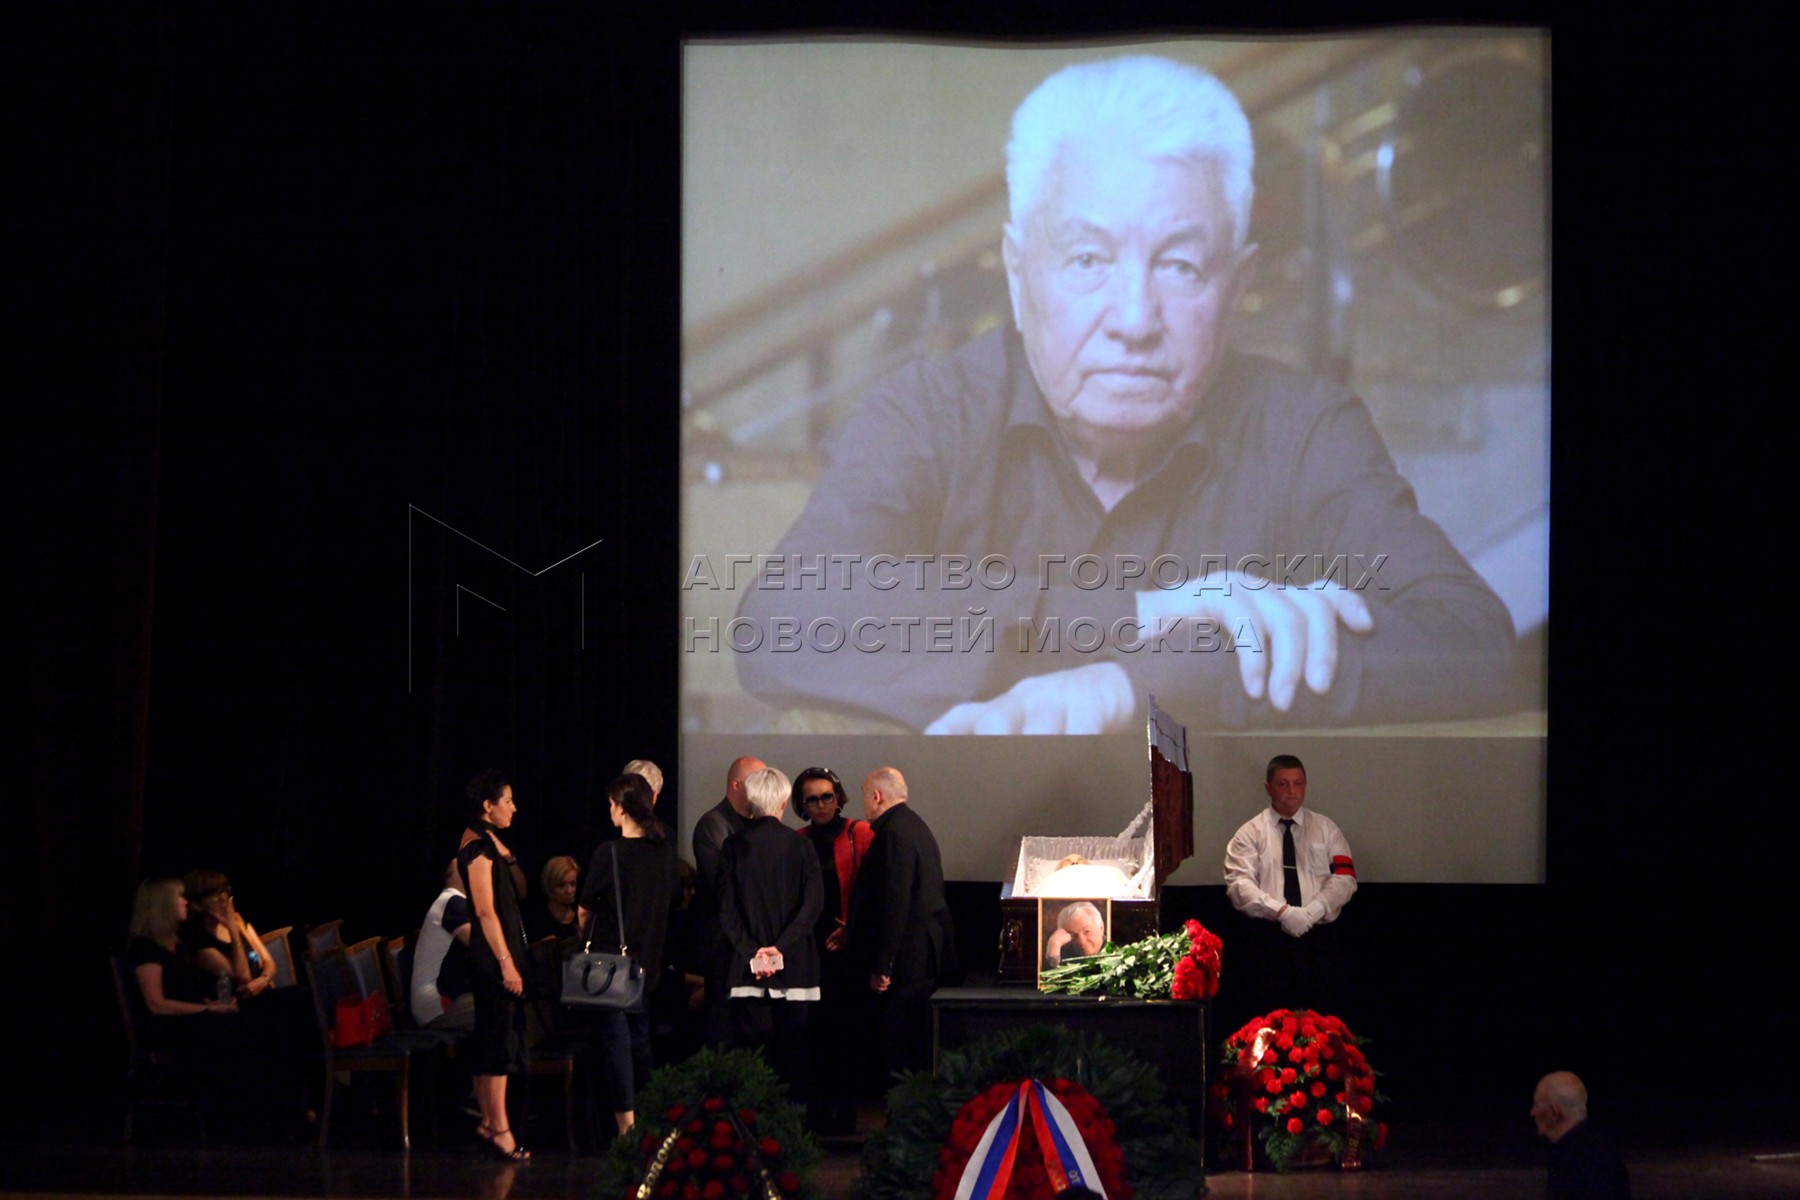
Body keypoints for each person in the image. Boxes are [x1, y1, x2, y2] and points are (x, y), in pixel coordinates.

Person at [733, 54, 1520, 734]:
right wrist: (1142, 615)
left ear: (1236, 285)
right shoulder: (929, 413)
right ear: (1019, 276)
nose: (1135, 320)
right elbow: (785, 620)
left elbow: (1477, 647)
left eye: (1180, 265)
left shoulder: (1304, 430)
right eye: (1088, 261)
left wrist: (1141, 682)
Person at [579, 772, 681, 1136]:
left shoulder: (610, 852)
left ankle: (627, 1125)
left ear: (621, 808)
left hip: (610, 960)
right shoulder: (664, 852)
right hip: (649, 957)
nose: (609, 810)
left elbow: (585, 909)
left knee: (617, 1043)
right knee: (640, 1039)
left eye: (611, 804)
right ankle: (650, 1117)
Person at [1223, 755, 1355, 1021]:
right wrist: (1282, 912)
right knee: (1269, 1019)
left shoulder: (1326, 828)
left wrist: (1313, 911)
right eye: (1283, 784)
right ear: (1268, 788)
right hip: (1268, 941)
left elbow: (1345, 878)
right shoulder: (1250, 833)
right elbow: (1239, 884)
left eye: (1298, 783)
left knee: (1322, 1019)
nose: (1292, 791)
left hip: (1318, 940)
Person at [717, 766, 823, 1099]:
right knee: (795, 1060)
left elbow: (726, 911)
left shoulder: (733, 846)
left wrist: (754, 953)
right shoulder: (802, 846)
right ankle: (793, 1125)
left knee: (751, 1064)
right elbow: (813, 906)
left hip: (747, 972)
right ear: (783, 802)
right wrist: (780, 950)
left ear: (751, 801)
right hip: (796, 971)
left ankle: (754, 1123)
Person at [849, 767, 954, 1077]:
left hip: (907, 960)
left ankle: (899, 1103)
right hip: (925, 954)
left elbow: (894, 903)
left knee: (900, 1042)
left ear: (876, 796)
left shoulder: (893, 834)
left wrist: (883, 964)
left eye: (864, 797)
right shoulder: (915, 826)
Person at [792, 766, 873, 1133]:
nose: (821, 804)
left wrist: (852, 928)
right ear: (802, 805)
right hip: (809, 948)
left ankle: (846, 1112)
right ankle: (818, 1112)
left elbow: (874, 889)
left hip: (849, 946)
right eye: (812, 799)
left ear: (838, 797)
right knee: (814, 1033)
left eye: (827, 796)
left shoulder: (859, 833)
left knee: (848, 1031)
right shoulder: (798, 840)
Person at [458, 769, 532, 1161]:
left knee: (494, 1037)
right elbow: (486, 912)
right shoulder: (476, 848)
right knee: (497, 1040)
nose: (514, 808)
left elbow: (519, 889)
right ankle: (500, 1128)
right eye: (508, 801)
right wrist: (506, 963)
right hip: (491, 958)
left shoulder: (488, 843)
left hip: (497, 955)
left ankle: (491, 1123)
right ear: (488, 806)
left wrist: (507, 854)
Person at [691, 755, 764, 1042]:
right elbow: (722, 886)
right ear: (736, 784)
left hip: (751, 944)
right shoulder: (713, 824)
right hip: (724, 946)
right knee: (723, 1024)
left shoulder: (757, 825)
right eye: (756, 782)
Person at [1532, 1071, 1631, 1200]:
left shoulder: (1586, 1162)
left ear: (1554, 1113)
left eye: (1537, 1104)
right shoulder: (1593, 1151)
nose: (1532, 1112)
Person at [181, 870, 277, 1000]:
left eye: (224, 891)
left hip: (264, 991)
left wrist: (263, 980)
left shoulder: (238, 920)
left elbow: (268, 961)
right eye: (214, 894)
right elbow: (243, 977)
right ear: (197, 905)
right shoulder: (198, 939)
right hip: (240, 1004)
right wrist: (232, 930)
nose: (223, 898)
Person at [411, 859, 475, 1032]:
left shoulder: (458, 903)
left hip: (452, 995)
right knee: (504, 1007)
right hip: (437, 1004)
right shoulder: (451, 902)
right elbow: (483, 947)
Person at [526, 855, 582, 945]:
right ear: (550, 886)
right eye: (561, 885)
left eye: (573, 884)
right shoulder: (538, 920)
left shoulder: (581, 914)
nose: (569, 891)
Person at [1043, 900, 1106, 969]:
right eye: (1073, 936)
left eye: (1087, 931)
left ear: (1101, 928)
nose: (1081, 942)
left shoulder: (1113, 951)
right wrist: (1054, 944)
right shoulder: (1066, 953)